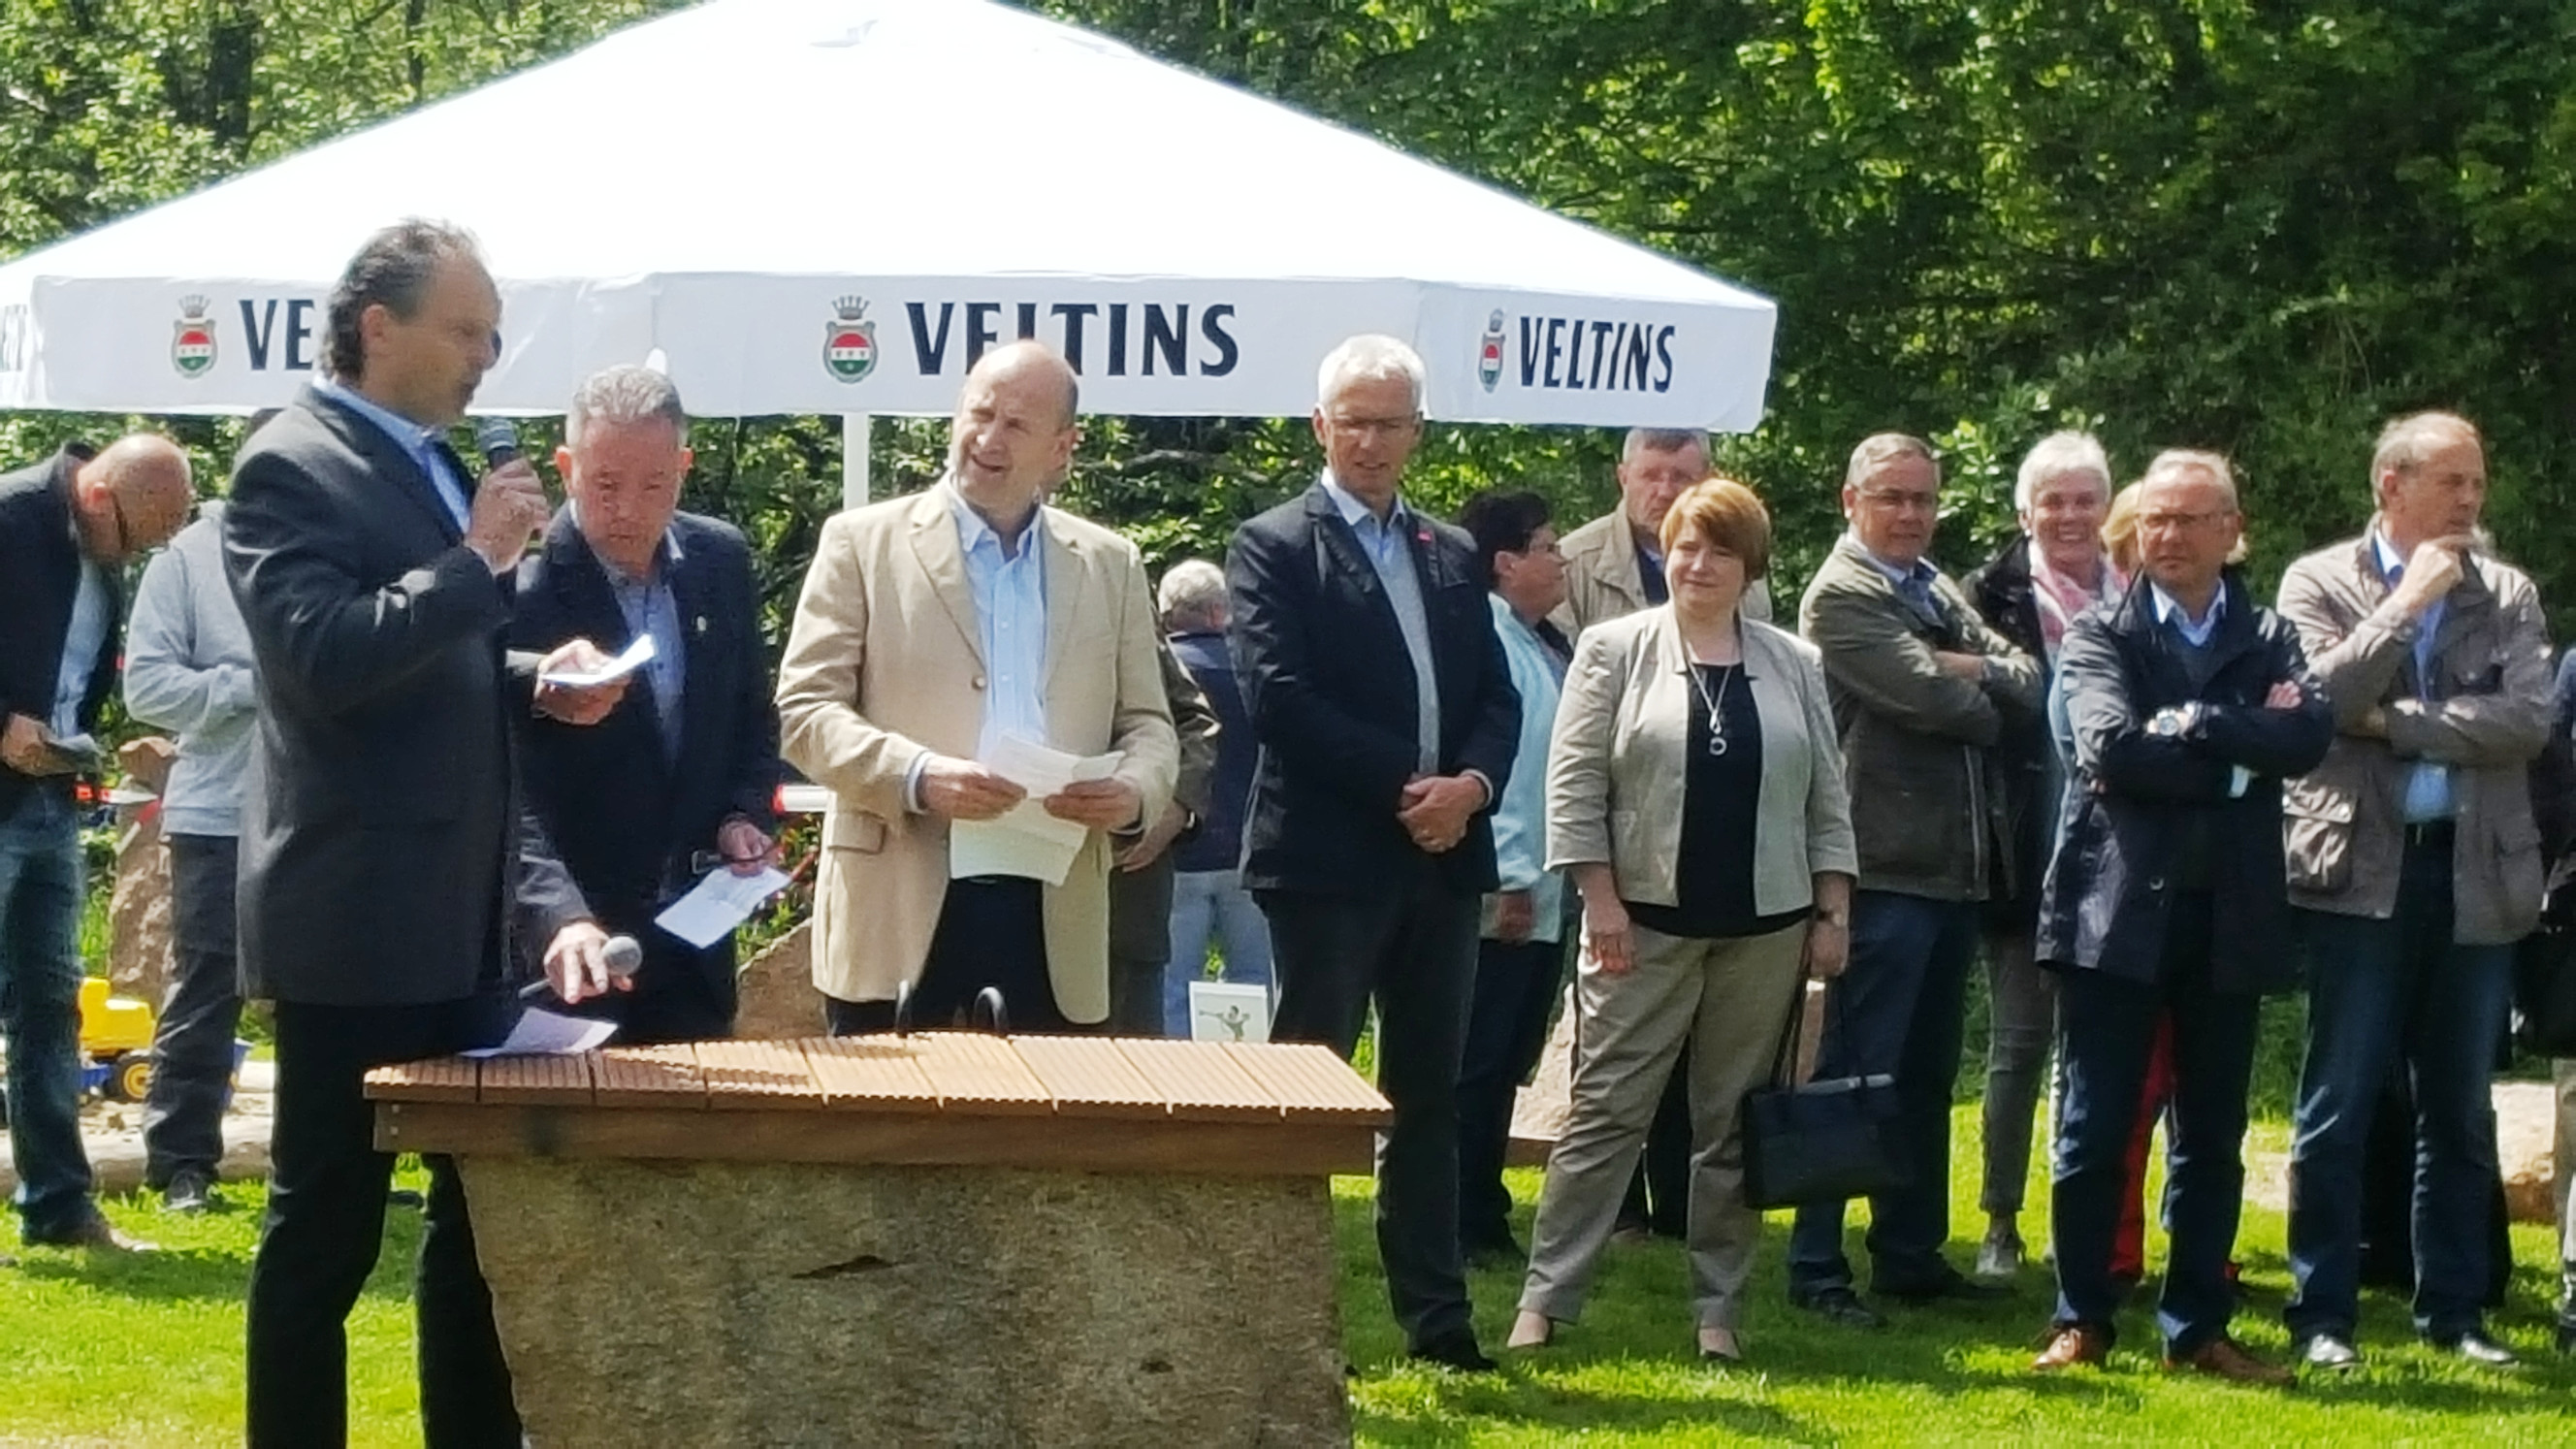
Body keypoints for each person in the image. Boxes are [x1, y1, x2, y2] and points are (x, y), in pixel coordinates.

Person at [224, 218, 627, 1447]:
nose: (484, 358)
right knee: (325, 1238)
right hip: (354, 921)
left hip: (462, 922)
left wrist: (534, 679)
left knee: (476, 1228)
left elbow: (426, 663)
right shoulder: (290, 463)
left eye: (492, 335)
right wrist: (478, 557)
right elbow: (322, 658)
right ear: (376, 327)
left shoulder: (431, 464)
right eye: (463, 331)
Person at [1511, 478, 1856, 1365]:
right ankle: (1546, 1299)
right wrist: (1600, 902)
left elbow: (1827, 799)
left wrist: (1832, 908)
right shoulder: (1612, 650)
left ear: (1751, 565)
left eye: (1720, 550)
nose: (1698, 565)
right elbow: (1573, 786)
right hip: (1640, 926)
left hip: (1767, 927)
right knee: (1605, 1114)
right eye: (1685, 546)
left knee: (1732, 1125)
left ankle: (1718, 1313)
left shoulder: (1795, 662)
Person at [1226, 334, 1521, 1370]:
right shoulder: (1273, 544)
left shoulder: (1449, 550)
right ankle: (1284, 1330)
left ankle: (1439, 1326)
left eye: (1390, 423)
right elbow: (1279, 699)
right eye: (1352, 421)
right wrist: (1411, 789)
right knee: (1307, 1096)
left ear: (1417, 432)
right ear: (1320, 425)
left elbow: (1497, 696)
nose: (1370, 441)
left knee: (1430, 1099)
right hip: (1329, 864)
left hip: (1444, 861)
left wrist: (1470, 789)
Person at [775, 340, 1177, 1034]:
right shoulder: (859, 543)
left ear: (1062, 448)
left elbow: (1149, 722)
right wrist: (918, 775)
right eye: (979, 414)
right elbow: (804, 712)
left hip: (1052, 912)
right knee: (890, 1108)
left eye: (1016, 425)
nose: (989, 439)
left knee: (1046, 1108)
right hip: (900, 902)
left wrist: (1135, 790)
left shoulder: (1111, 563)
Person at [2031, 449, 2330, 1382]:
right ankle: (2082, 1317)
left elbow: (2307, 736)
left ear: (2231, 532)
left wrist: (2192, 725)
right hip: (2114, 913)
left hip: (2230, 914)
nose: (2167, 535)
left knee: (2212, 1135)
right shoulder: (2100, 633)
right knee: (2095, 1128)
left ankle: (2197, 1327)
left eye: (2190, 519)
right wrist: (2241, 754)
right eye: (2155, 518)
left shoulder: (2270, 633)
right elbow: (2112, 748)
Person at [2274, 410, 2552, 1371]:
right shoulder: (2317, 581)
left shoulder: (2507, 591)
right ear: (2389, 485)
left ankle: (2455, 1313)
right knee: (2337, 1103)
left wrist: (2395, 725)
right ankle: (2322, 1315)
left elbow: (2527, 721)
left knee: (2460, 1111)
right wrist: (2408, 602)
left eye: (2477, 482)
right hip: (2358, 873)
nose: (2470, 499)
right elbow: (2320, 702)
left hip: (2475, 874)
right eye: (2450, 482)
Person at [1788, 432, 2041, 1326]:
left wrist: (1978, 672)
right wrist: (1983, 684)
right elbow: (1946, 705)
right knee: (1854, 1072)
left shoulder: (1931, 586)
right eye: (1891, 498)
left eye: (1923, 499)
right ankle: (1816, 1264)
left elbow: (2031, 678)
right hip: (1880, 868)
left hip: (1952, 872)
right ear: (1850, 501)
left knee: (1927, 1079)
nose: (1909, 514)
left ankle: (1908, 1254)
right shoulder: (1842, 595)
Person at [509, 365, 782, 1044]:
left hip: (693, 953)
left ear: (684, 469)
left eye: (654, 485)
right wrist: (556, 913)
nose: (628, 509)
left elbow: (750, 721)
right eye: (606, 485)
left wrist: (741, 816)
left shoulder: (720, 562)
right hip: (568, 955)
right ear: (566, 467)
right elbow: (500, 788)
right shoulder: (519, 589)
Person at [1553, 426, 1760, 1242]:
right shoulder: (1576, 563)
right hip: (1616, 852)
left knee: (1700, 1049)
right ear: (1623, 475)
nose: (1666, 489)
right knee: (1612, 1048)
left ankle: (1678, 1199)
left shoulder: (1743, 576)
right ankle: (1608, 1212)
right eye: (1652, 473)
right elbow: (1576, 725)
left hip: (1720, 864)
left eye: (1683, 475)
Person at [0, 433, 192, 1252]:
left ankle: (59, 1209)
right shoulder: (11, 517)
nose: (137, 556)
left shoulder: (102, 544)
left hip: (49, 798)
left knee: (51, 1008)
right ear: (99, 496)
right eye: (137, 539)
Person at [1960, 432, 2121, 1278]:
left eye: (2084, 499)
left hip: (2117, 862)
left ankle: (2078, 1224)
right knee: (2019, 1045)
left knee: (2092, 1052)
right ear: (2024, 512)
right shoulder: (1985, 599)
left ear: (2108, 507)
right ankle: (1999, 1222)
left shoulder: (2138, 593)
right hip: (2022, 851)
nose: (2069, 516)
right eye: (2052, 501)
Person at [124, 493, 258, 1212]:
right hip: (219, 813)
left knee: (332, 996)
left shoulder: (347, 542)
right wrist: (251, 685)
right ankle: (181, 1164)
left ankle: (329, 1160)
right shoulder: (186, 560)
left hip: (331, 813)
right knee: (207, 985)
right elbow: (146, 687)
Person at [1451, 490, 1574, 1268]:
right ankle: (1462, 1214)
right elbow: (1511, 773)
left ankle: (1482, 1204)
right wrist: (1514, 879)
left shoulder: (1539, 643)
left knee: (1507, 1056)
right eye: (1549, 547)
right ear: (1505, 561)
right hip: (1508, 887)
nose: (1561, 561)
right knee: (1480, 1057)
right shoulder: (1489, 641)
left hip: (1544, 888)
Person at [1158, 560, 1272, 1035]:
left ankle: (1174, 1077)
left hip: (1178, 851)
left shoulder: (1160, 672)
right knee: (1254, 982)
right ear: (1218, 612)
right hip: (1249, 850)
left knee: (1173, 986)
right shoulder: (1255, 669)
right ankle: (1251, 1073)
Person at [1104, 641, 1220, 1036]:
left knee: (1129, 1060)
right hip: (986, 888)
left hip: (1125, 895)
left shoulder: (1124, 602)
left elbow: (1195, 722)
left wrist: (1176, 806)